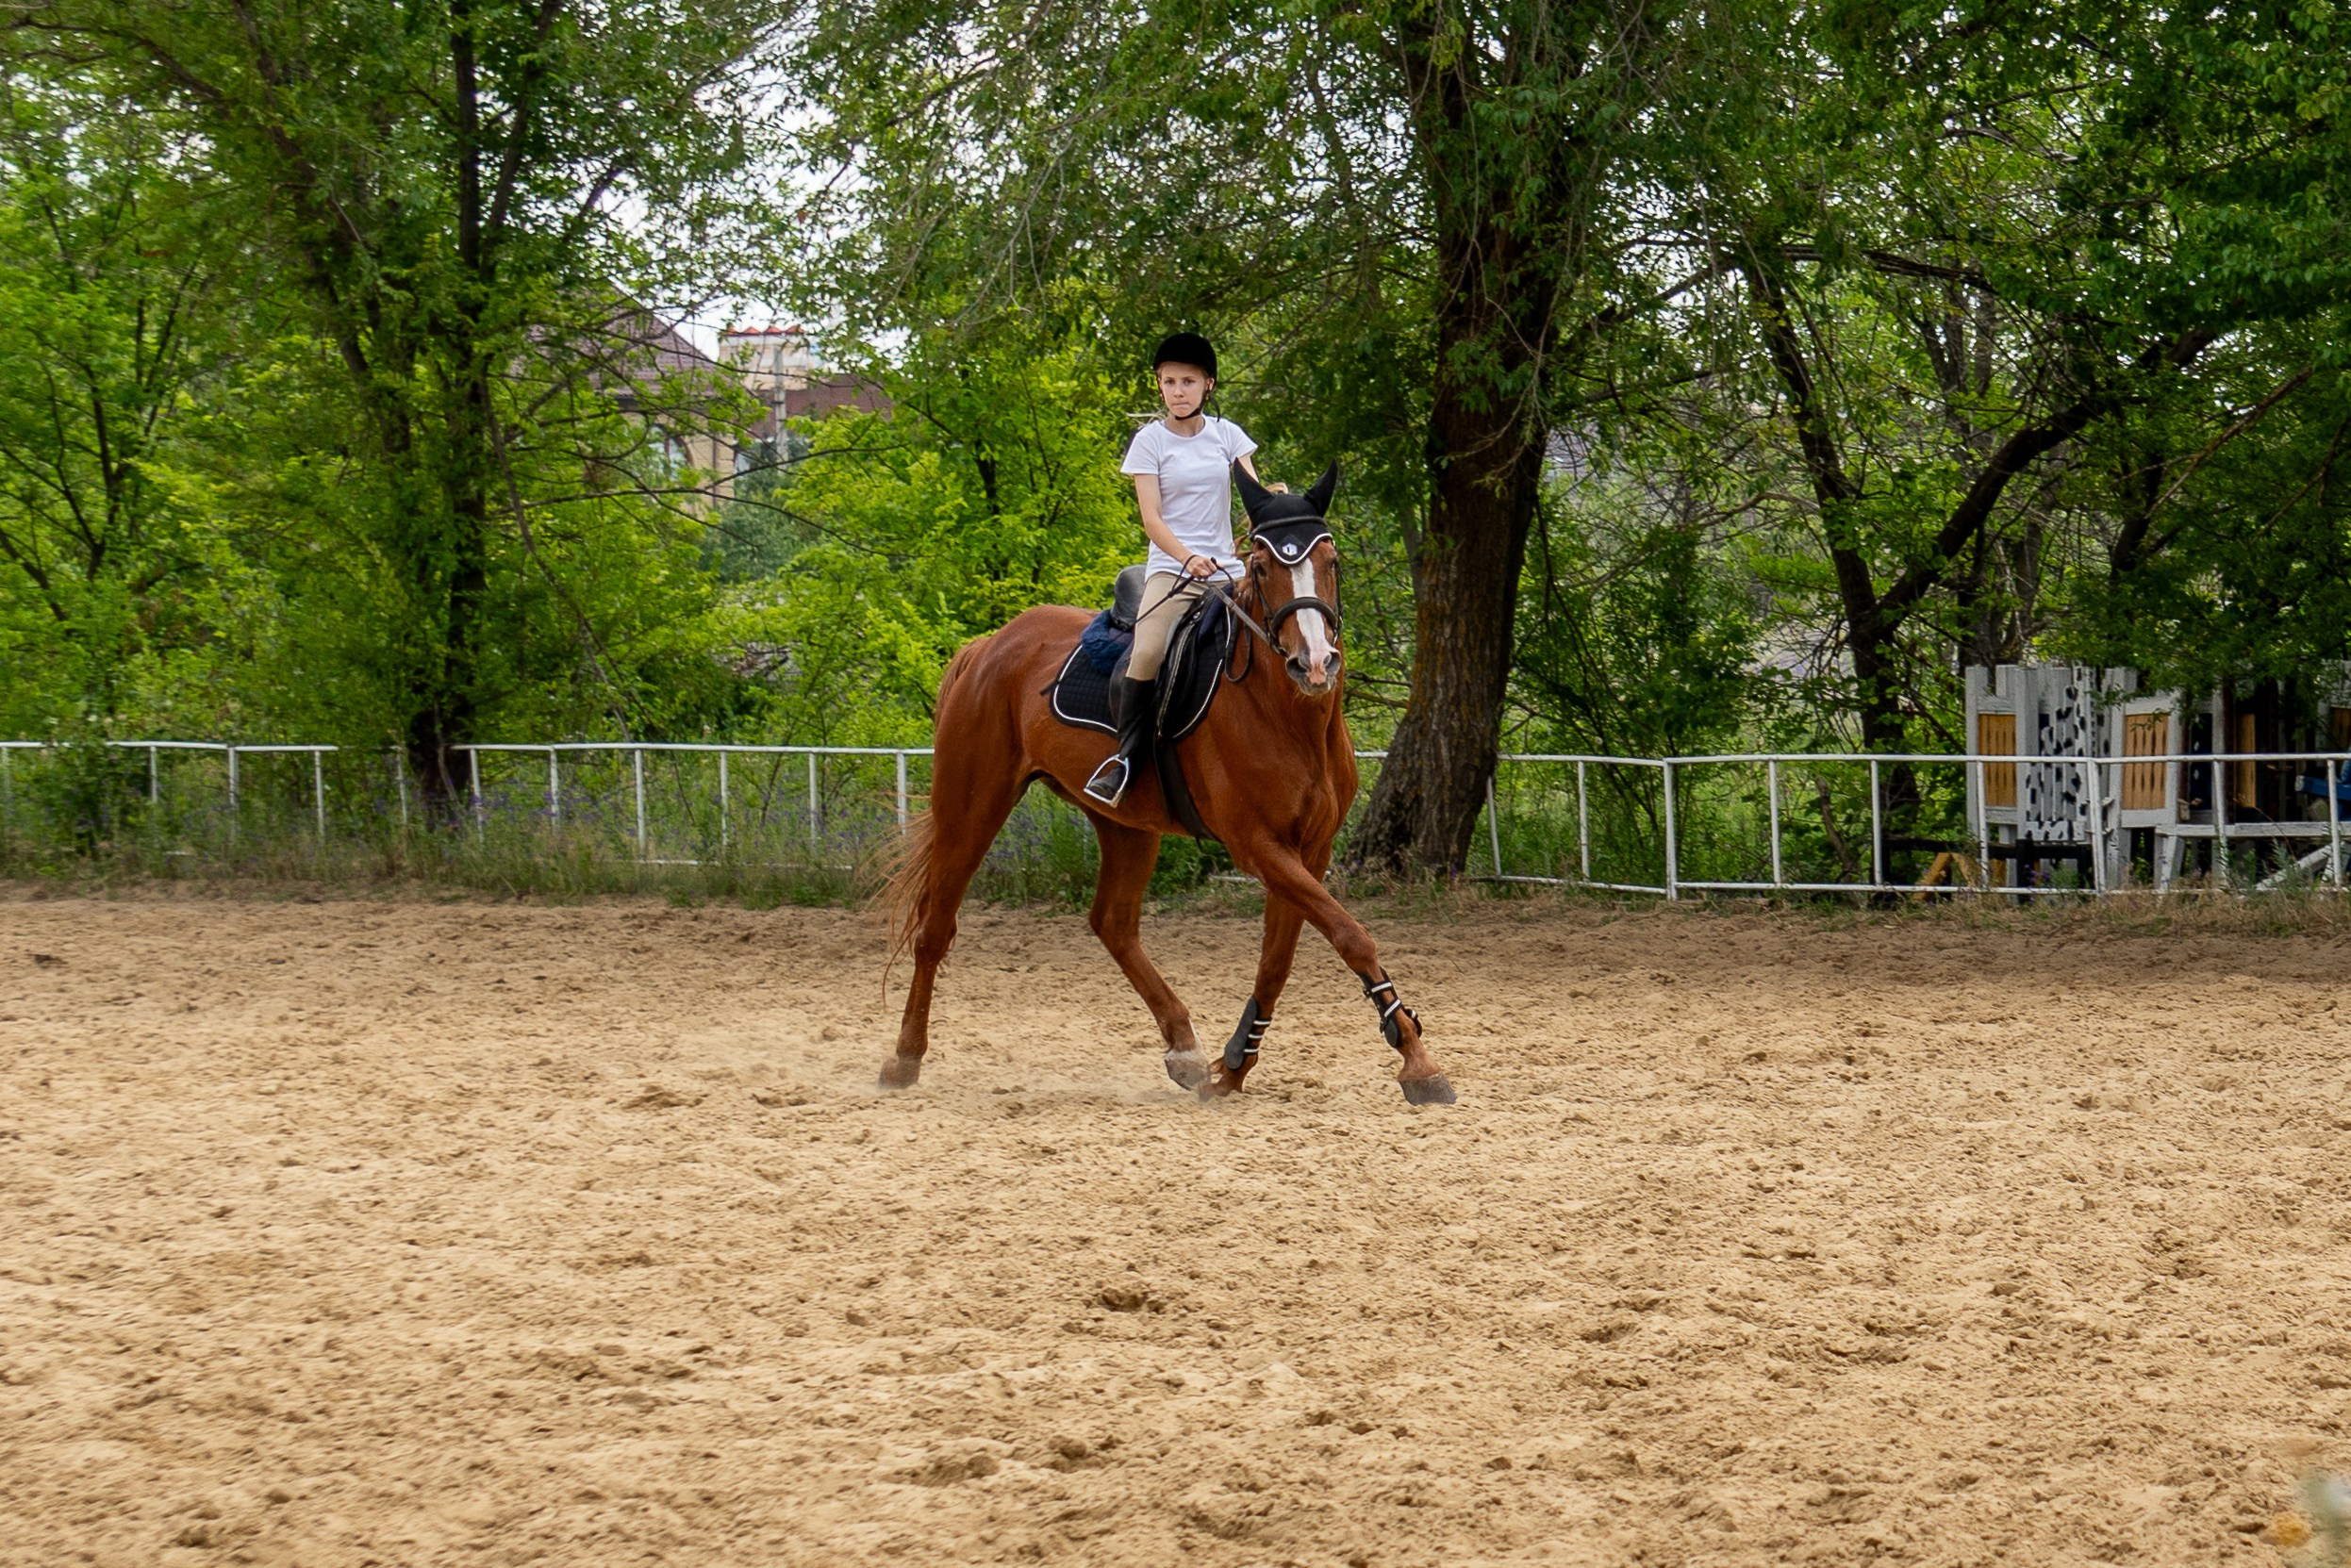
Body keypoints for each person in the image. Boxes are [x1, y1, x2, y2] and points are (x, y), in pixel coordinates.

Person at [1084, 333, 1268, 807]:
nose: (1178, 390)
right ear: (1159, 386)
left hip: (1229, 571)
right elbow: (1152, 520)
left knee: (1281, 634)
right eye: (1169, 381)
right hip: (1174, 570)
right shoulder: (1149, 442)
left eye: (1188, 381)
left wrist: (1269, 504)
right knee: (1147, 652)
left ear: (1208, 384)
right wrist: (1187, 557)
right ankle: (1125, 758)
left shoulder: (1229, 435)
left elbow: (1255, 495)